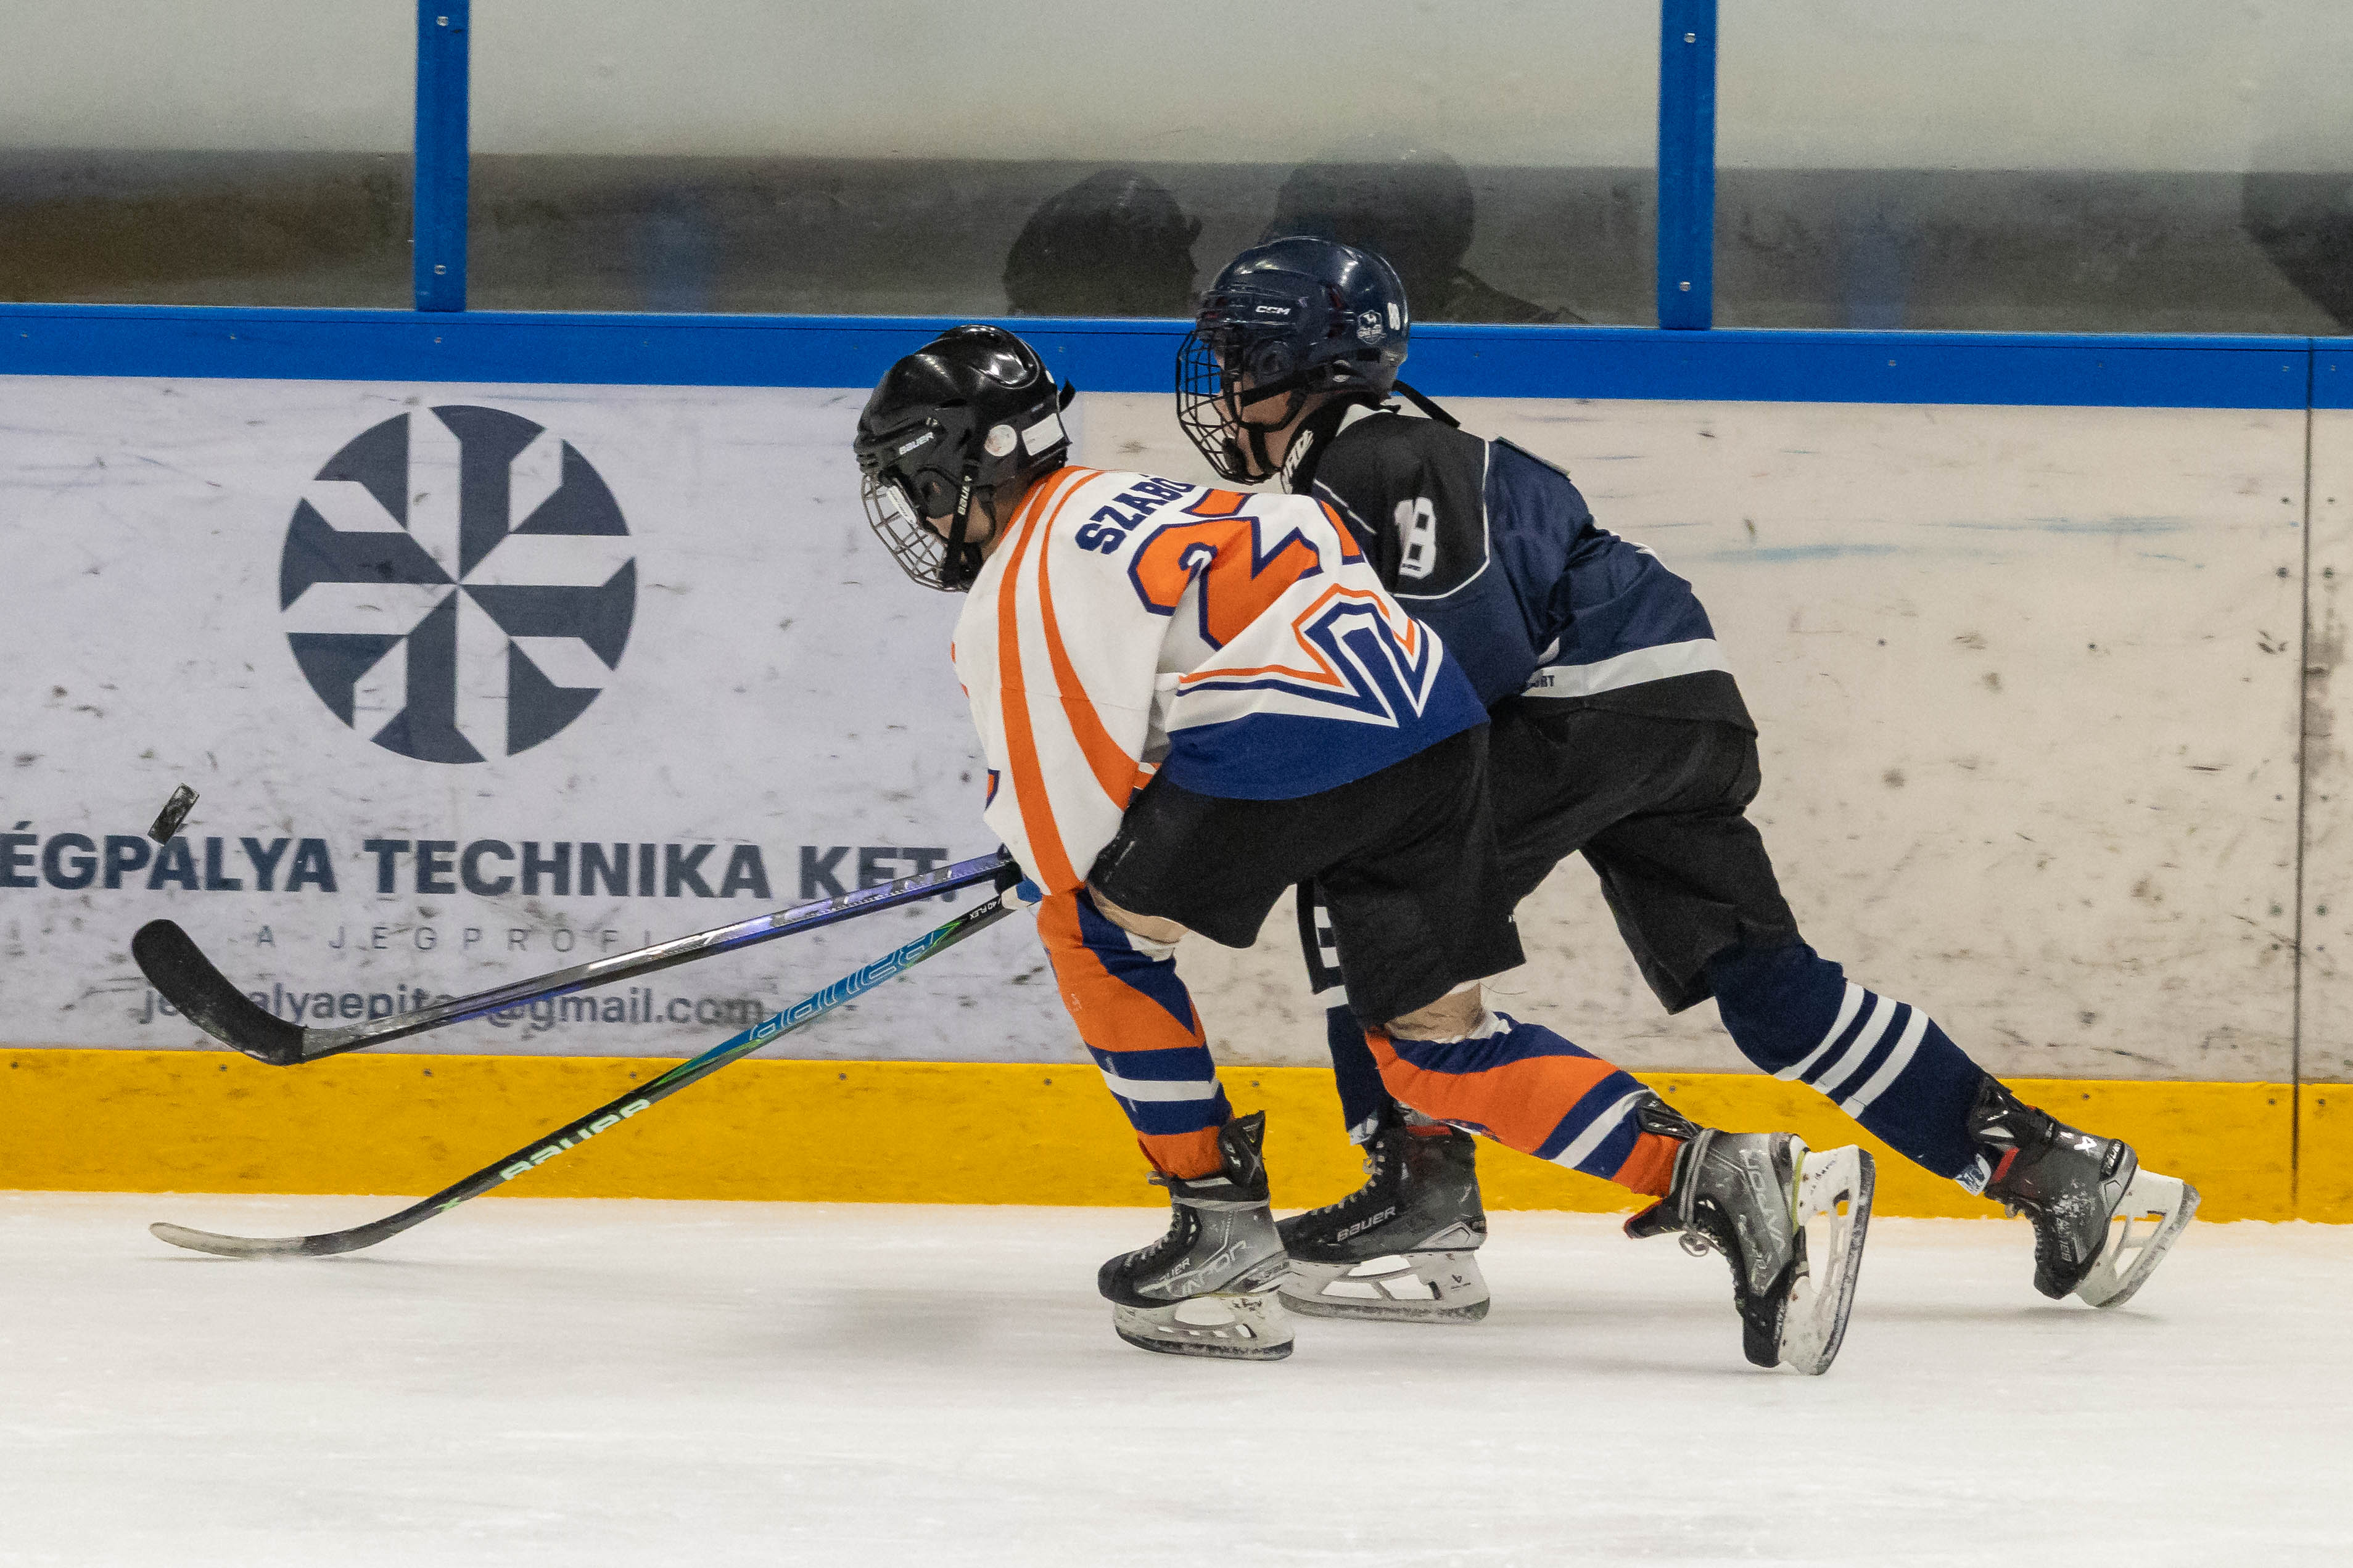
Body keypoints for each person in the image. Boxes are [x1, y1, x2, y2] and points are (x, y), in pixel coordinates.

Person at [1174, 236, 2201, 1325]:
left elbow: (1457, 656)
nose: (1226, 388)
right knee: (1770, 988)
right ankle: (2055, 1169)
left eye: (1240, 360)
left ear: (1296, 365)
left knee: (1357, 882)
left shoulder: (1372, 464)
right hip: (1677, 705)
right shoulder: (1418, 450)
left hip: (1583, 709)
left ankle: (1425, 1192)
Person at [852, 324, 1876, 1371]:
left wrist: (1076, 869)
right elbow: (1299, 568)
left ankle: (1216, 1231)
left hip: (1288, 736)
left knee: (1092, 935)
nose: (918, 515)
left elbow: (1066, 849)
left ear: (947, 468)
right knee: (1431, 1044)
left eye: (911, 487)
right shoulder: (1156, 498)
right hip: (1436, 725)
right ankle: (1725, 1174)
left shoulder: (1019, 584)